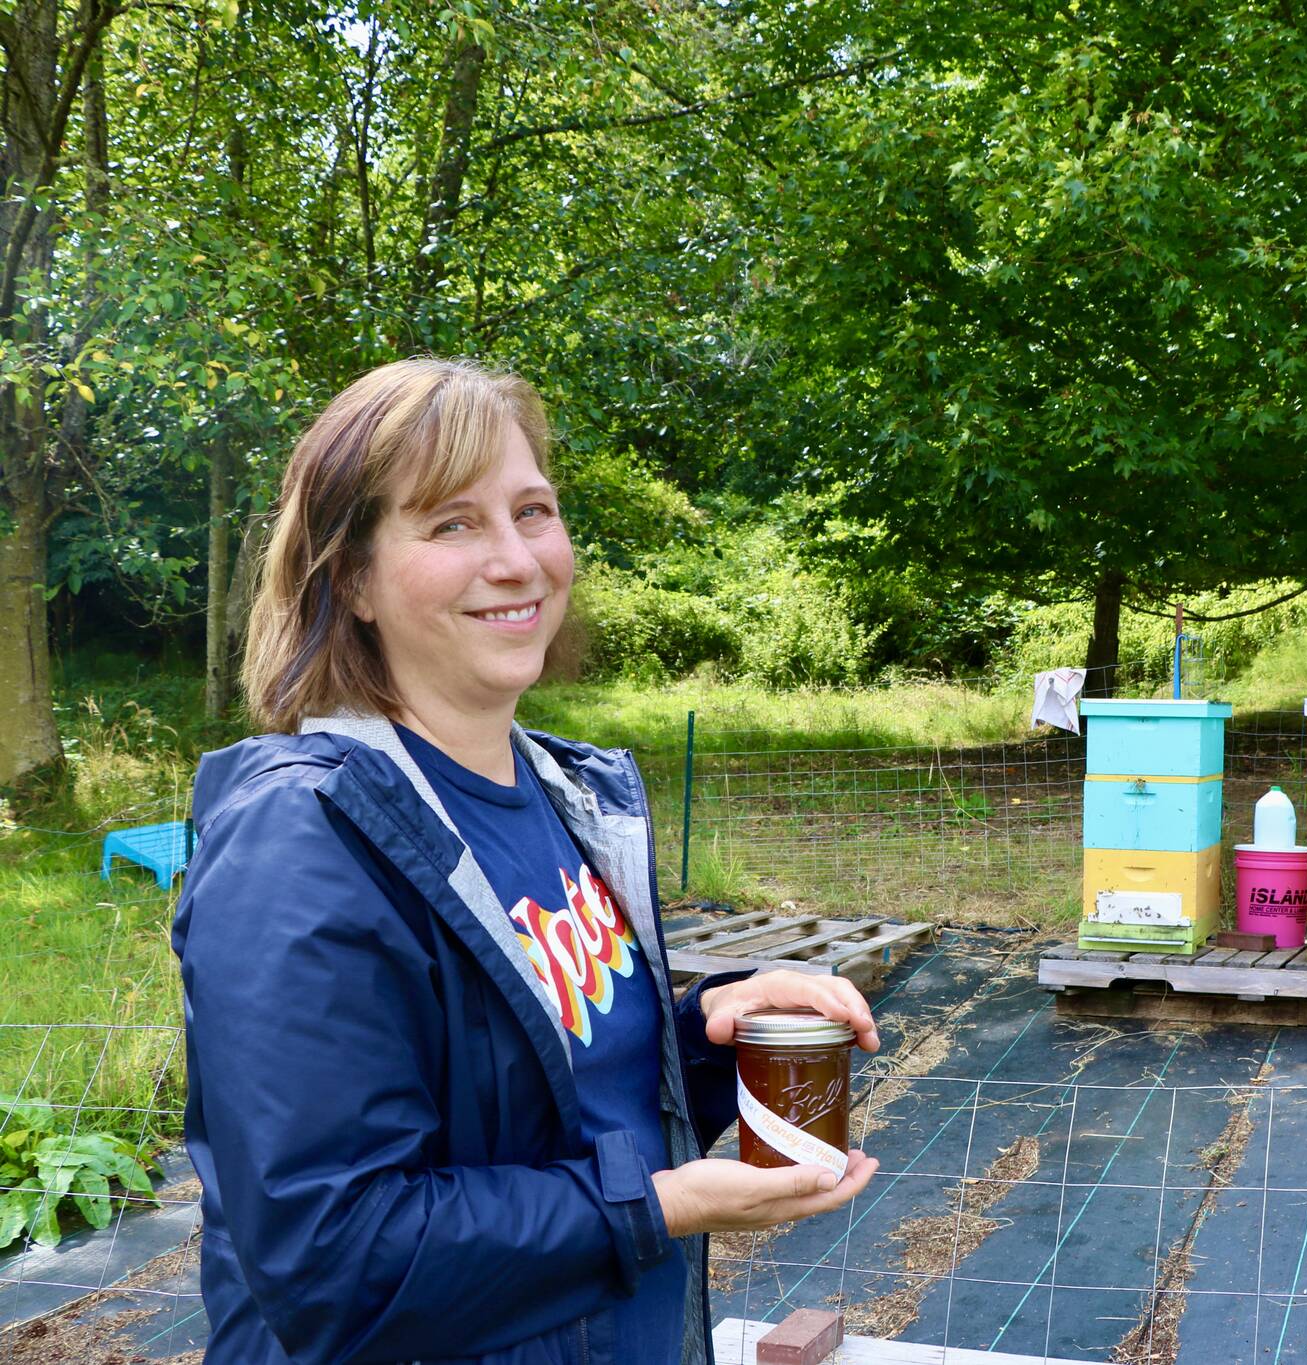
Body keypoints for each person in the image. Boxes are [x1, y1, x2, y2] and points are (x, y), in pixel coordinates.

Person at [171, 357, 880, 1364]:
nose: (515, 559)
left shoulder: (562, 798)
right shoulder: (302, 838)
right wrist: (661, 1206)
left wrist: (713, 1036)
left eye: (531, 510)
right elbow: (336, 1254)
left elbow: (553, 1104)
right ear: (353, 579)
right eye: (450, 522)